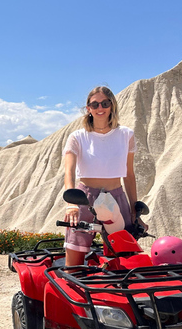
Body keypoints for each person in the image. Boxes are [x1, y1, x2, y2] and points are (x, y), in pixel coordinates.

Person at [62, 86, 145, 267]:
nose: (100, 108)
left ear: (111, 106)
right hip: (85, 198)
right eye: (95, 104)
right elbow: (69, 171)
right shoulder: (77, 137)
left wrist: (133, 209)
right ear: (88, 108)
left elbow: (129, 175)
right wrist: (71, 204)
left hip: (116, 196)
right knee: (74, 262)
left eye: (105, 103)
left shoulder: (126, 134)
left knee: (125, 259)